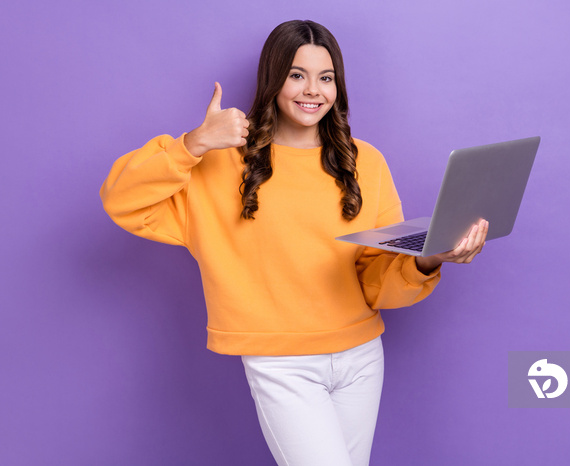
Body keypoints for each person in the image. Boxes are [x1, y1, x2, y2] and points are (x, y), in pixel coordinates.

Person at [100, 19, 488, 466]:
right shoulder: (220, 163)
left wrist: (429, 258)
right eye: (297, 75)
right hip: (281, 363)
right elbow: (121, 200)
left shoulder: (366, 162)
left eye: (326, 78)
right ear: (274, 79)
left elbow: (378, 282)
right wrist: (194, 143)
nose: (313, 90)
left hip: (361, 356)